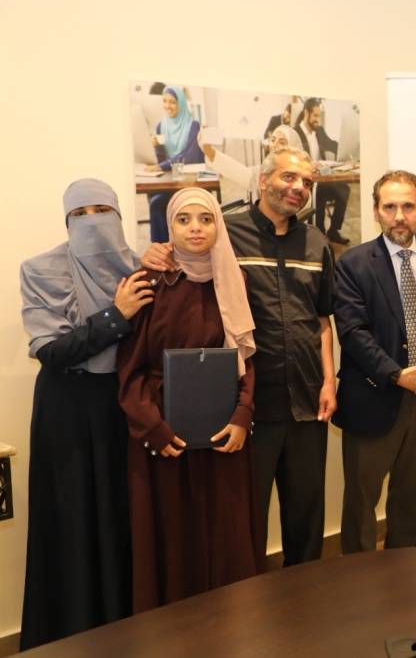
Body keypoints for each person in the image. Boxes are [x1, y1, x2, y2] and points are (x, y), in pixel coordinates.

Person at [142, 148, 336, 567]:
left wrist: (329, 381)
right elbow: (182, 258)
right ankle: (251, 601)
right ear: (263, 180)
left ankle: (311, 596)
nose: (298, 187)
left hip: (306, 401)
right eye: (288, 177)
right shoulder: (225, 233)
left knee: (307, 516)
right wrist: (152, 254)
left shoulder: (317, 243)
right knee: (246, 519)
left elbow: (322, 319)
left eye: (306, 181)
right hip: (249, 405)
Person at [18, 179, 151, 649]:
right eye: (81, 214)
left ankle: (127, 632)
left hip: (124, 406)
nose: (93, 222)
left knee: (123, 516)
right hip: (68, 412)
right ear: (67, 222)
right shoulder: (41, 269)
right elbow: (53, 352)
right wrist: (116, 315)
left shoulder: (142, 270)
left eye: (103, 211)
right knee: (72, 521)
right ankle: (71, 637)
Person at [117, 187, 260, 612]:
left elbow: (246, 356)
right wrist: (154, 428)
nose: (195, 228)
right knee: (172, 535)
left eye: (205, 219)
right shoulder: (150, 282)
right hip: (164, 435)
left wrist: (242, 414)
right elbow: (130, 369)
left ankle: (230, 625)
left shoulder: (233, 279)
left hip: (222, 430)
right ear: (170, 227)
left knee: (224, 531)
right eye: (184, 220)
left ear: (219, 225)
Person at [333, 170, 416, 552]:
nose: (399, 216)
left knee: (412, 499)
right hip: (373, 398)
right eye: (390, 207)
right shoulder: (353, 263)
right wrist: (396, 375)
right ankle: (358, 577)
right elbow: (353, 332)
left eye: (408, 206)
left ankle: (402, 573)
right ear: (376, 211)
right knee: (361, 504)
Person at [144, 86, 205, 242]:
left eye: (172, 102)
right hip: (169, 181)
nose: (167, 106)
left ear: (181, 103)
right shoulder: (161, 126)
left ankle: (168, 246)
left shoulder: (193, 126)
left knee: (158, 203)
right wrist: (156, 147)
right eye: (164, 101)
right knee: (155, 201)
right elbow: (162, 159)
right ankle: (162, 248)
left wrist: (162, 166)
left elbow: (189, 157)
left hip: (188, 182)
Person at [200, 124, 301, 204]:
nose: (274, 145)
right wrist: (209, 151)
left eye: (282, 142)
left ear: (293, 148)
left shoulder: (299, 176)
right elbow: (240, 173)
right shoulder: (265, 170)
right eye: (273, 140)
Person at [296, 97, 349, 242]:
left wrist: (347, 149)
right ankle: (318, 233)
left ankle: (333, 230)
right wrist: (309, 164)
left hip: (321, 177)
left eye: (319, 116)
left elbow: (332, 145)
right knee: (319, 193)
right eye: (315, 116)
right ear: (306, 113)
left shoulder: (318, 130)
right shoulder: (296, 133)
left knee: (344, 189)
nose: (318, 120)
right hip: (306, 180)